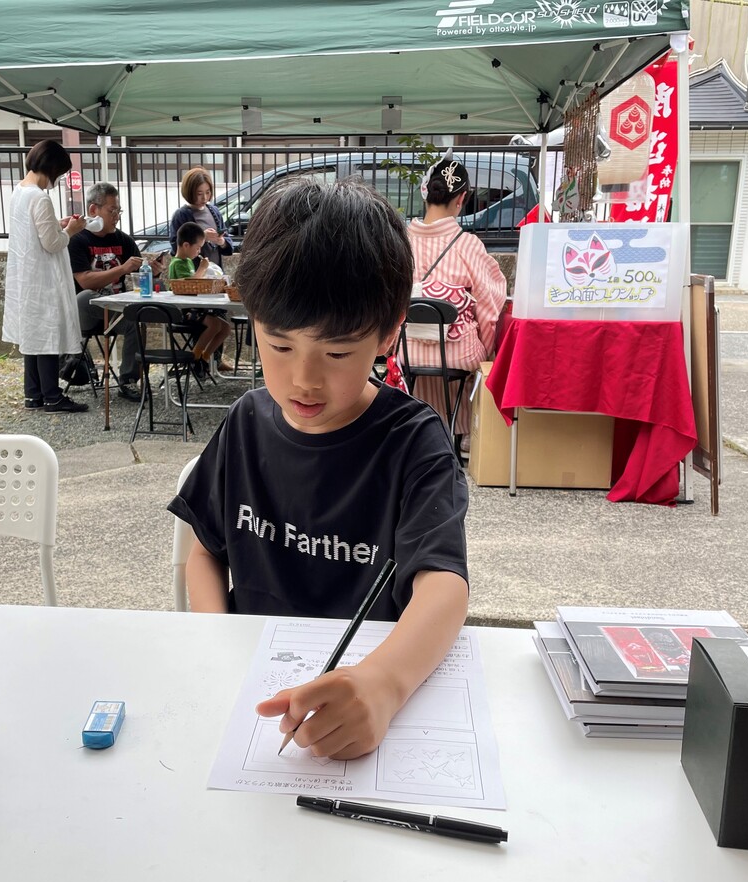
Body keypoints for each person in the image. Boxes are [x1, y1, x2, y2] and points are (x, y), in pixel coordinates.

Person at [168, 177, 470, 761]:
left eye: (335, 354)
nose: (304, 379)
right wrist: (214, 639)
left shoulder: (413, 443)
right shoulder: (246, 424)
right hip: (250, 696)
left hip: (361, 695)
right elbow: (205, 550)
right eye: (279, 347)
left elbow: (444, 587)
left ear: (387, 332)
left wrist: (384, 683)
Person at [404, 152, 509, 447]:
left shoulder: (401, 242)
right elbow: (489, 305)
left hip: (406, 350)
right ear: (461, 199)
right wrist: (486, 352)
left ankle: (418, 428)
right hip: (455, 352)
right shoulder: (467, 245)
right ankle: (461, 430)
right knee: (471, 353)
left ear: (425, 193)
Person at [1, 140, 89, 413]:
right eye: (58, 173)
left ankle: (34, 394)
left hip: (26, 274)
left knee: (32, 336)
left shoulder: (19, 191)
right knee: (47, 336)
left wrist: (58, 223)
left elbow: (37, 230)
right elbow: (52, 243)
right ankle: (52, 396)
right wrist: (71, 230)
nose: (57, 179)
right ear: (50, 168)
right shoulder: (39, 196)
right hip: (43, 276)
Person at [67, 181, 160, 403]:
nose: (116, 216)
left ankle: (129, 380)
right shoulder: (77, 240)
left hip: (117, 309)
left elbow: (138, 270)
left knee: (136, 319)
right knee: (86, 297)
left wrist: (152, 271)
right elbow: (84, 280)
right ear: (93, 210)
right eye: (112, 210)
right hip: (86, 311)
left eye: (119, 210)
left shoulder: (123, 239)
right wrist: (123, 268)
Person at [168, 221, 232, 376]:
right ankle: (194, 355)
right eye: (197, 248)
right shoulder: (177, 263)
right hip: (185, 311)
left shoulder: (188, 261)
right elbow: (189, 285)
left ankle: (205, 356)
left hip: (196, 308)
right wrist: (202, 269)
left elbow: (196, 282)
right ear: (185, 245)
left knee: (225, 327)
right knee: (214, 324)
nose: (199, 251)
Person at [168, 166, 234, 268]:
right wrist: (201, 237)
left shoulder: (215, 211)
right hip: (192, 274)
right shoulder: (181, 215)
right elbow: (176, 247)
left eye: (208, 192)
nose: (204, 197)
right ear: (189, 192)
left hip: (215, 271)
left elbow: (228, 244)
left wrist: (222, 241)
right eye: (199, 193)